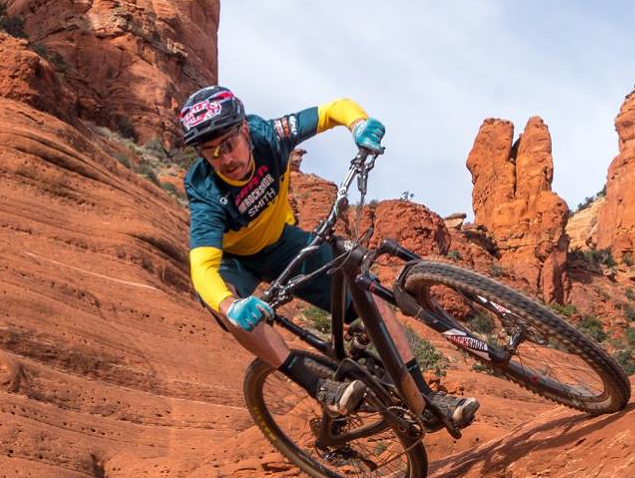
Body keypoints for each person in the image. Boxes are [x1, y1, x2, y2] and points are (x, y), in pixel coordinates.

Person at [179, 85, 478, 430]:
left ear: (244, 128)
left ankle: (425, 396)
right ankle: (317, 384)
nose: (224, 160)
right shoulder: (205, 191)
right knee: (224, 308)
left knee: (367, 294)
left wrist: (359, 124)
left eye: (228, 146)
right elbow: (202, 266)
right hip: (236, 262)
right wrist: (230, 305)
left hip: (281, 243)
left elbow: (333, 110)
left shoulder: (270, 136)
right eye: (211, 154)